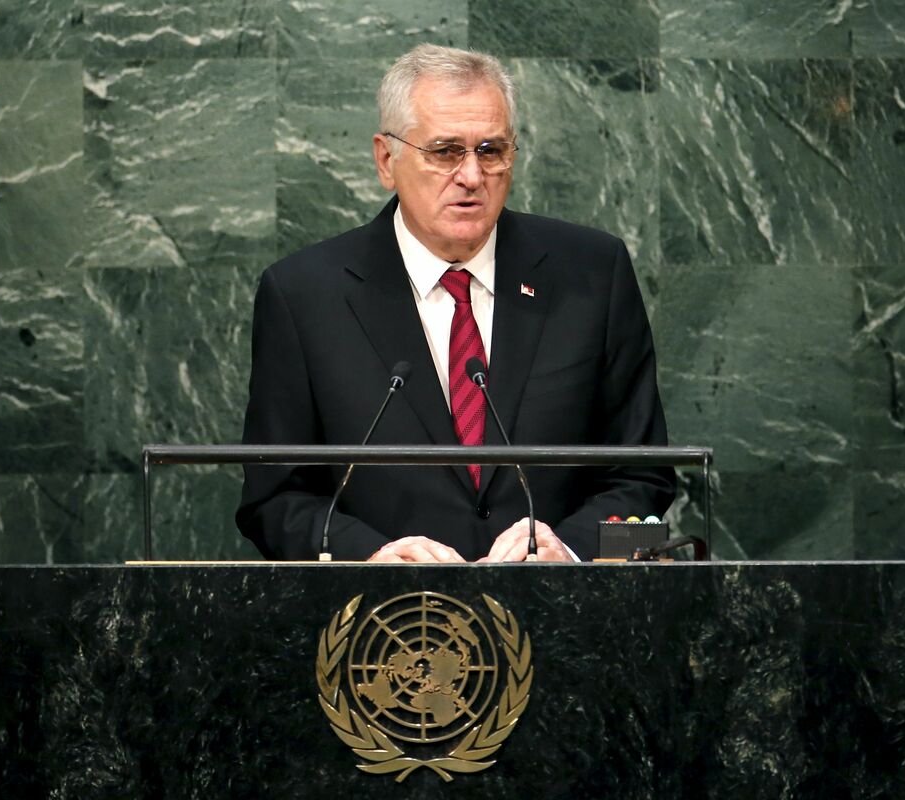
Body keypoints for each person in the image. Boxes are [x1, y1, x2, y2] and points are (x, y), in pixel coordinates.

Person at [236, 44, 674, 563]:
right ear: (386, 160)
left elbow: (646, 484)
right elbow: (271, 503)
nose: (471, 176)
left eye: (490, 150)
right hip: (384, 611)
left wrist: (573, 552)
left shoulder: (593, 274)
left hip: (559, 605)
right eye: (445, 151)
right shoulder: (304, 295)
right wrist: (369, 557)